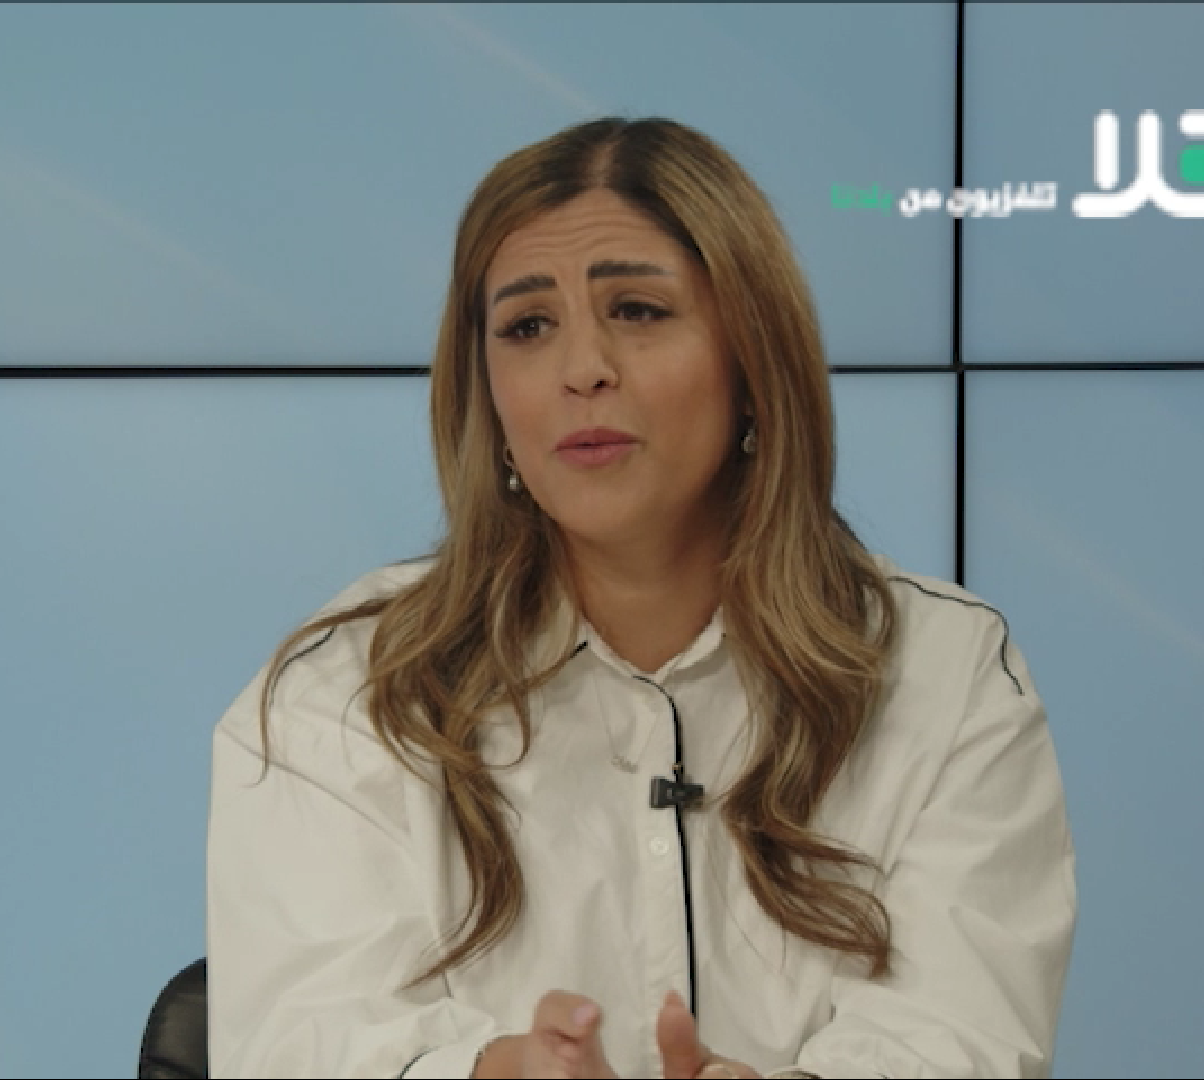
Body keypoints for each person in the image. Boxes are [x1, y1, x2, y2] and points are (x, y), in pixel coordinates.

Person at [205, 117, 1075, 1079]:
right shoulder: (343, 694)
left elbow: (959, 1043)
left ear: (754, 362)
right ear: (486, 392)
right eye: (527, 328)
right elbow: (300, 1047)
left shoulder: (944, 675)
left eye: (638, 310)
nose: (583, 369)